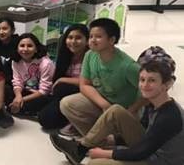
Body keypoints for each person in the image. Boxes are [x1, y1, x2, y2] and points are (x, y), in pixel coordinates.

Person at [50, 46, 184, 165]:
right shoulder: (152, 104)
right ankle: (80, 149)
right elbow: (143, 134)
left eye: (152, 81)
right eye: (142, 80)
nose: (144, 85)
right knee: (116, 111)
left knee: (96, 163)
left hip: (161, 161)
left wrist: (106, 154)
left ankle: (82, 150)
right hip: (151, 150)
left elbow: (142, 152)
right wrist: (113, 140)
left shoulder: (169, 115)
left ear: (167, 84)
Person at [60, 18, 143, 137]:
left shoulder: (128, 66)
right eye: (91, 36)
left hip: (124, 109)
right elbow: (84, 85)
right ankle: (98, 139)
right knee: (67, 104)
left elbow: (148, 92)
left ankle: (106, 138)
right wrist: (104, 105)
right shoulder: (90, 55)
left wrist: (133, 110)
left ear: (112, 40)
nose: (92, 40)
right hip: (103, 102)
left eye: (98, 37)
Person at [38, 24, 89, 130]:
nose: (73, 41)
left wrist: (63, 79)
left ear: (87, 40)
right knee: (44, 119)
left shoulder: (91, 57)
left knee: (63, 87)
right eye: (70, 38)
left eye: (78, 38)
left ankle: (75, 121)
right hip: (64, 96)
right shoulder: (65, 55)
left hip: (85, 94)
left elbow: (91, 82)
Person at [8, 33, 55, 117]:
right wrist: (18, 96)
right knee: (6, 90)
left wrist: (20, 100)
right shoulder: (15, 61)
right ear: (17, 48)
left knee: (43, 104)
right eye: (22, 46)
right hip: (26, 91)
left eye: (30, 46)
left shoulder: (46, 63)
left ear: (36, 49)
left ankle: (23, 109)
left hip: (42, 95)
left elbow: (44, 90)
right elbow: (17, 82)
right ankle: (23, 109)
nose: (25, 49)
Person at [0, 17, 19, 85]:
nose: (1, 32)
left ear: (12, 30)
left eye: (5, 29)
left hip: (17, 81)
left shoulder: (20, 43)